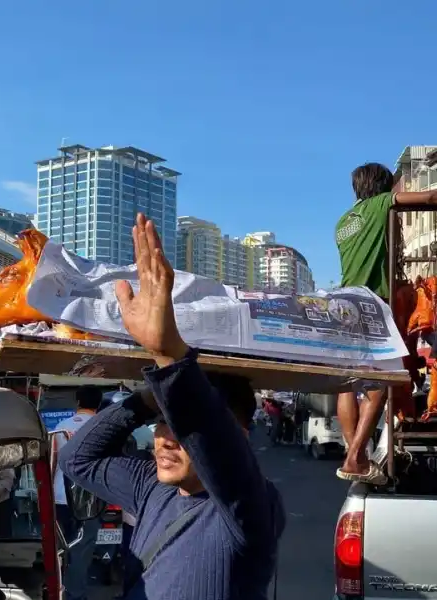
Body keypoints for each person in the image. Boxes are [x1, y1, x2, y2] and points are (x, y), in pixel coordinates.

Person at [59, 214, 285, 600]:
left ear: (241, 435)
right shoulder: (152, 488)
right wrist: (148, 399)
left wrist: (169, 356)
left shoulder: (248, 507)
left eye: (179, 428)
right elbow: (78, 460)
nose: (165, 438)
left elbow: (213, 436)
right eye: (162, 423)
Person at [334, 162, 437, 484]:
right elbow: (432, 198)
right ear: (385, 187)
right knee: (384, 383)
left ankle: (353, 451)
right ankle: (356, 457)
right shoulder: (381, 204)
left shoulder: (344, 220)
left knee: (346, 383)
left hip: (343, 302)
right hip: (372, 302)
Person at [52, 386, 102, 600]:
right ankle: (75, 594)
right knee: (82, 549)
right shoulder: (102, 426)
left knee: (60, 548)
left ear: (77, 402)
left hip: (60, 496)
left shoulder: (61, 426)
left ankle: (58, 589)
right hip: (90, 499)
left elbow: (52, 462)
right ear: (99, 404)